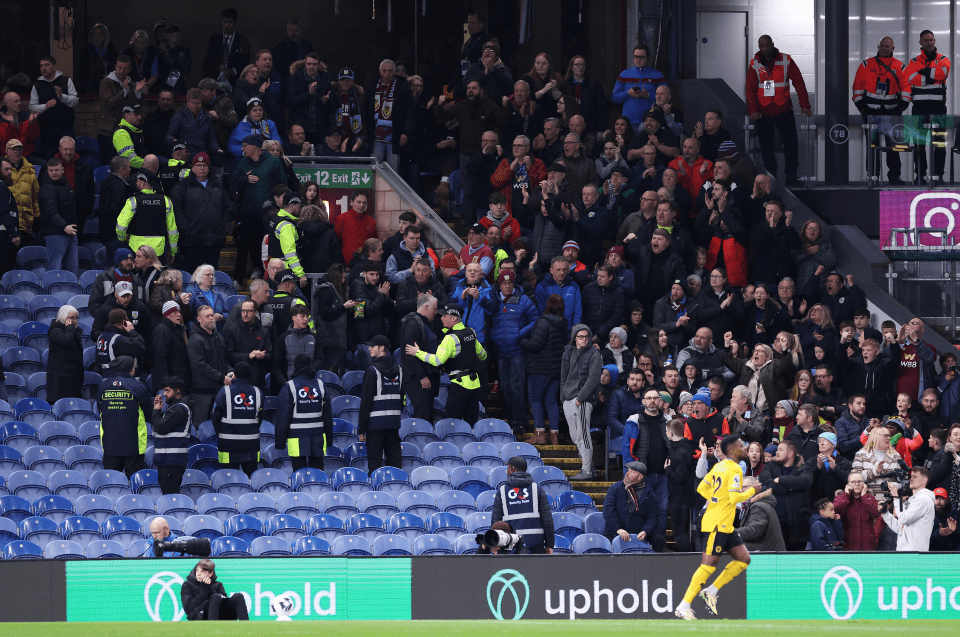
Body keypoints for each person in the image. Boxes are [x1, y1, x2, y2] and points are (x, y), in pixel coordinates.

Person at [675, 435, 759, 620]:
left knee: (744, 559)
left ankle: (711, 591)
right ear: (732, 451)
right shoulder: (735, 468)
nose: (744, 447)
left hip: (724, 524)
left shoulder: (718, 466)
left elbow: (702, 489)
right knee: (709, 565)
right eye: (740, 445)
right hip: (717, 523)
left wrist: (715, 499)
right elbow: (734, 498)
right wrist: (753, 491)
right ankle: (684, 605)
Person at [746, 35, 812, 187]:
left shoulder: (786, 60)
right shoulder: (755, 63)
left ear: (773, 45)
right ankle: (771, 178)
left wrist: (805, 105)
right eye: (762, 46)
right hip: (763, 112)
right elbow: (750, 89)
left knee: (791, 146)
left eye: (768, 45)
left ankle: (791, 177)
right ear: (759, 47)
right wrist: (753, 110)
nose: (765, 49)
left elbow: (799, 82)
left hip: (784, 110)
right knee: (766, 148)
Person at [407, 303, 487, 424]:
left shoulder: (450, 338)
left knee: (452, 423)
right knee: (472, 423)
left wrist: (418, 352)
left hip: (459, 385)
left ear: (454, 318)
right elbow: (483, 355)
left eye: (445, 316)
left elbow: (437, 361)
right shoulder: (471, 332)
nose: (441, 318)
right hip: (474, 384)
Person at [852, 37, 910, 185]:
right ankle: (872, 177)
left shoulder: (899, 67)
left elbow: (906, 89)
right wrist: (862, 109)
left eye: (888, 46)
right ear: (878, 47)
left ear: (893, 48)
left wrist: (901, 107)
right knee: (872, 146)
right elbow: (857, 89)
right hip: (871, 113)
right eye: (882, 46)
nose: (885, 48)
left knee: (894, 147)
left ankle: (895, 177)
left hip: (892, 113)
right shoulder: (866, 65)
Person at [232, 134, 285, 281]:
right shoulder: (243, 164)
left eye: (244, 145)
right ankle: (246, 274)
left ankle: (267, 275)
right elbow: (234, 184)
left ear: (255, 146)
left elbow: (282, 184)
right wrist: (245, 179)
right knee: (247, 244)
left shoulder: (273, 162)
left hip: (267, 213)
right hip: (247, 213)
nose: (242, 149)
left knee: (267, 244)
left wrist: (276, 202)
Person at [490, 270, 538, 431]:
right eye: (504, 283)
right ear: (499, 285)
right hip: (501, 352)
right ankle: (510, 418)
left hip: (518, 351)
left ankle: (519, 420)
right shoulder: (494, 300)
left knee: (517, 386)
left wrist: (520, 333)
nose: (507, 285)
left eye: (510, 282)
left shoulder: (524, 300)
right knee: (505, 387)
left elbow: (535, 320)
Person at [171, 152, 232, 274]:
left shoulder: (217, 186)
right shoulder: (182, 186)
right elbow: (177, 210)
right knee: (194, 275)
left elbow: (228, 208)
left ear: (209, 168)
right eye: (198, 165)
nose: (202, 168)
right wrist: (186, 229)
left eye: (204, 165)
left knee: (212, 275)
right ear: (192, 168)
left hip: (214, 239)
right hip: (192, 241)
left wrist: (223, 228)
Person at [906, 30, 951, 185]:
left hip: (939, 108)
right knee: (918, 144)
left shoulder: (944, 59)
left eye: (931, 40)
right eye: (926, 40)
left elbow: (942, 74)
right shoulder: (913, 62)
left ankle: (938, 176)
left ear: (935, 40)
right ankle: (920, 176)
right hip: (918, 109)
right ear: (920, 43)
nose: (929, 43)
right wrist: (933, 77)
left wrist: (924, 73)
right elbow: (911, 78)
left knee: (939, 144)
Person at [275, 353, 334, 471]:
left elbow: (283, 417)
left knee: (299, 471)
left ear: (296, 367)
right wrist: (329, 439)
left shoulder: (289, 386)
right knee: (318, 471)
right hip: (318, 435)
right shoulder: (321, 385)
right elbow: (327, 416)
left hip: (296, 437)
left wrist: (280, 442)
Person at [97, 356, 151, 478]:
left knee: (111, 484)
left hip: (109, 444)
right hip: (134, 444)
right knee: (134, 483)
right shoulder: (137, 386)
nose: (134, 370)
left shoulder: (104, 385)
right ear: (128, 369)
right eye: (133, 367)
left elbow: (99, 408)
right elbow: (149, 411)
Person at [560, 324, 602, 480]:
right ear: (574, 338)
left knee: (583, 435)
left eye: (586, 336)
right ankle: (588, 465)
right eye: (580, 336)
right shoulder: (567, 353)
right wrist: (563, 398)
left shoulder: (594, 354)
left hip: (582, 400)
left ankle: (587, 471)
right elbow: (563, 377)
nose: (584, 339)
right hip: (568, 398)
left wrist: (580, 398)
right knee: (575, 436)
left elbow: (593, 379)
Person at [490, 456, 554, 554]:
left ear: (512, 469)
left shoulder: (502, 491)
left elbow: (496, 520)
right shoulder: (537, 489)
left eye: (507, 468)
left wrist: (495, 542)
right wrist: (549, 544)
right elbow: (547, 519)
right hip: (535, 545)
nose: (507, 471)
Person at [358, 335, 403, 472]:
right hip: (393, 424)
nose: (369, 348)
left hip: (375, 425)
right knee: (395, 464)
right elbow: (402, 399)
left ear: (382, 348)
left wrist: (361, 429)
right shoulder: (399, 370)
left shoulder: (372, 370)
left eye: (372, 346)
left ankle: (376, 493)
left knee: (375, 464)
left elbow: (366, 402)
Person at [760, 440, 814, 550]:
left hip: (796, 525)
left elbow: (805, 482)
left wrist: (780, 479)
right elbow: (766, 482)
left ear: (790, 454)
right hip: (773, 524)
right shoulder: (770, 465)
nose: (777, 453)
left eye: (780, 450)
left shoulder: (803, 468)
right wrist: (789, 488)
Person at [210, 361, 263, 475]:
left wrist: (221, 431)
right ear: (250, 374)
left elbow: (215, 415)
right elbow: (260, 417)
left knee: (229, 478)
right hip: (251, 443)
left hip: (228, 443)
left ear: (235, 374)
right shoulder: (258, 392)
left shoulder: (225, 391)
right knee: (251, 478)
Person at [116, 168, 178, 260]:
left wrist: (123, 238)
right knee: (156, 274)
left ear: (143, 183)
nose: (136, 183)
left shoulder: (133, 201)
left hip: (136, 249)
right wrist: (172, 251)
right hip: (158, 250)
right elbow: (172, 230)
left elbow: (121, 226)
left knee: (136, 274)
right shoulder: (166, 201)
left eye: (137, 181)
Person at [365, 59, 414, 172]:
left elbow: (410, 112)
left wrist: (406, 132)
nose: (387, 73)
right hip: (376, 136)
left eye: (390, 71)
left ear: (395, 72)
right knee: (375, 171)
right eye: (385, 71)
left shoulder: (403, 87)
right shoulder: (373, 86)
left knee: (393, 172)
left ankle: (392, 190)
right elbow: (366, 110)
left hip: (394, 137)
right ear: (380, 71)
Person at [27, 55, 79, 160]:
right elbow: (32, 107)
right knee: (50, 160)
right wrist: (45, 106)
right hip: (46, 130)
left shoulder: (66, 80)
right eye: (41, 66)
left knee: (68, 158)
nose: (43, 68)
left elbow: (75, 102)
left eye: (47, 65)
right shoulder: (37, 85)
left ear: (54, 67)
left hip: (66, 128)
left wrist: (62, 96)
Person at [188, 305, 233, 423]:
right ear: (199, 319)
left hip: (219, 389)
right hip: (202, 393)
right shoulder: (195, 339)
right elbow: (200, 365)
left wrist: (230, 371)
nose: (211, 318)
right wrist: (220, 377)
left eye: (212, 315)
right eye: (207, 316)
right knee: (202, 425)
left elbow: (225, 359)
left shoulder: (218, 337)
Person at [399, 295, 440, 422]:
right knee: (423, 414)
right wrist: (422, 376)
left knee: (427, 413)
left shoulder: (424, 323)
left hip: (427, 375)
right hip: (417, 378)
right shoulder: (412, 323)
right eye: (434, 309)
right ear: (426, 307)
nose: (436, 312)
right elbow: (409, 354)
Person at [150, 375, 193, 495]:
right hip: (169, 460)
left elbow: (161, 427)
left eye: (167, 390)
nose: (164, 394)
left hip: (171, 461)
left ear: (177, 391)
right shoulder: (174, 408)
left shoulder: (179, 409)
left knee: (169, 494)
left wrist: (156, 411)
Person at [37, 158, 79, 273]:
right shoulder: (46, 188)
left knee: (73, 268)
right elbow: (50, 211)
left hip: (71, 231)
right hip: (55, 234)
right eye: (51, 170)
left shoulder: (66, 184)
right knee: (55, 267)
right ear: (47, 171)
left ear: (63, 170)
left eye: (57, 170)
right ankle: (52, 289)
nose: (54, 173)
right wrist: (64, 226)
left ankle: (73, 290)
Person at [882, 466, 936, 551]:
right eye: (911, 477)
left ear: (924, 480)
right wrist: (885, 514)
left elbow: (904, 518)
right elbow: (901, 529)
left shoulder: (924, 499)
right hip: (904, 552)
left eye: (915, 477)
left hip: (915, 554)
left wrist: (896, 498)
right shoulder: (912, 500)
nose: (911, 479)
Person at [612, 45, 665, 131]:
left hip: (649, 124)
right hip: (628, 124)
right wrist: (627, 93)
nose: (638, 59)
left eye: (641, 57)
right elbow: (614, 98)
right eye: (636, 57)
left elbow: (666, 99)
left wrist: (648, 95)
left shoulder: (657, 75)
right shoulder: (624, 75)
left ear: (648, 58)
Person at [224, 299, 272, 390]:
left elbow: (270, 354)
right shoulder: (232, 331)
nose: (245, 314)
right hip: (238, 379)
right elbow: (230, 356)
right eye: (243, 311)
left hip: (258, 378)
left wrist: (263, 356)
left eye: (249, 311)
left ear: (255, 312)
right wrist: (248, 356)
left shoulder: (264, 332)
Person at [180, 560, 249, 621]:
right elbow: (189, 609)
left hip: (220, 614)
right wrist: (204, 588)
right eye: (197, 570)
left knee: (238, 596)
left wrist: (209, 587)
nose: (198, 573)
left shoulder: (218, 585)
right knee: (216, 597)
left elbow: (223, 602)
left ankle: (246, 627)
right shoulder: (187, 585)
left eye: (203, 571)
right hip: (200, 616)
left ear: (210, 574)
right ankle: (212, 627)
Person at [832, 471, 881, 551]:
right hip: (848, 545)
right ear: (848, 484)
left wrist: (864, 497)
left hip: (868, 546)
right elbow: (835, 510)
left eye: (859, 481)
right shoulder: (842, 497)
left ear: (864, 484)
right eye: (853, 482)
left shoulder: (869, 498)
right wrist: (846, 495)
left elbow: (876, 513)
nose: (857, 484)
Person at [202, 8, 251, 88]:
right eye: (225, 21)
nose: (227, 25)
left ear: (235, 23)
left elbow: (246, 65)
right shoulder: (214, 39)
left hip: (235, 84)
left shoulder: (243, 41)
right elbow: (208, 63)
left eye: (230, 22)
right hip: (215, 82)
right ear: (222, 22)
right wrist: (207, 84)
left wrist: (233, 71)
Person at [47, 305, 83, 403]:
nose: (74, 321)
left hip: (73, 376)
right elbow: (66, 341)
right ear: (63, 318)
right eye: (71, 318)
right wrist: (70, 328)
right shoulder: (55, 331)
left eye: (76, 318)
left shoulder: (74, 333)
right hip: (59, 377)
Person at [334, 191, 378, 265]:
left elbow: (374, 245)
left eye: (364, 203)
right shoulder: (342, 219)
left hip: (366, 265)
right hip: (346, 265)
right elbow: (335, 244)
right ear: (351, 202)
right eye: (359, 202)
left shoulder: (371, 222)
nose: (361, 205)